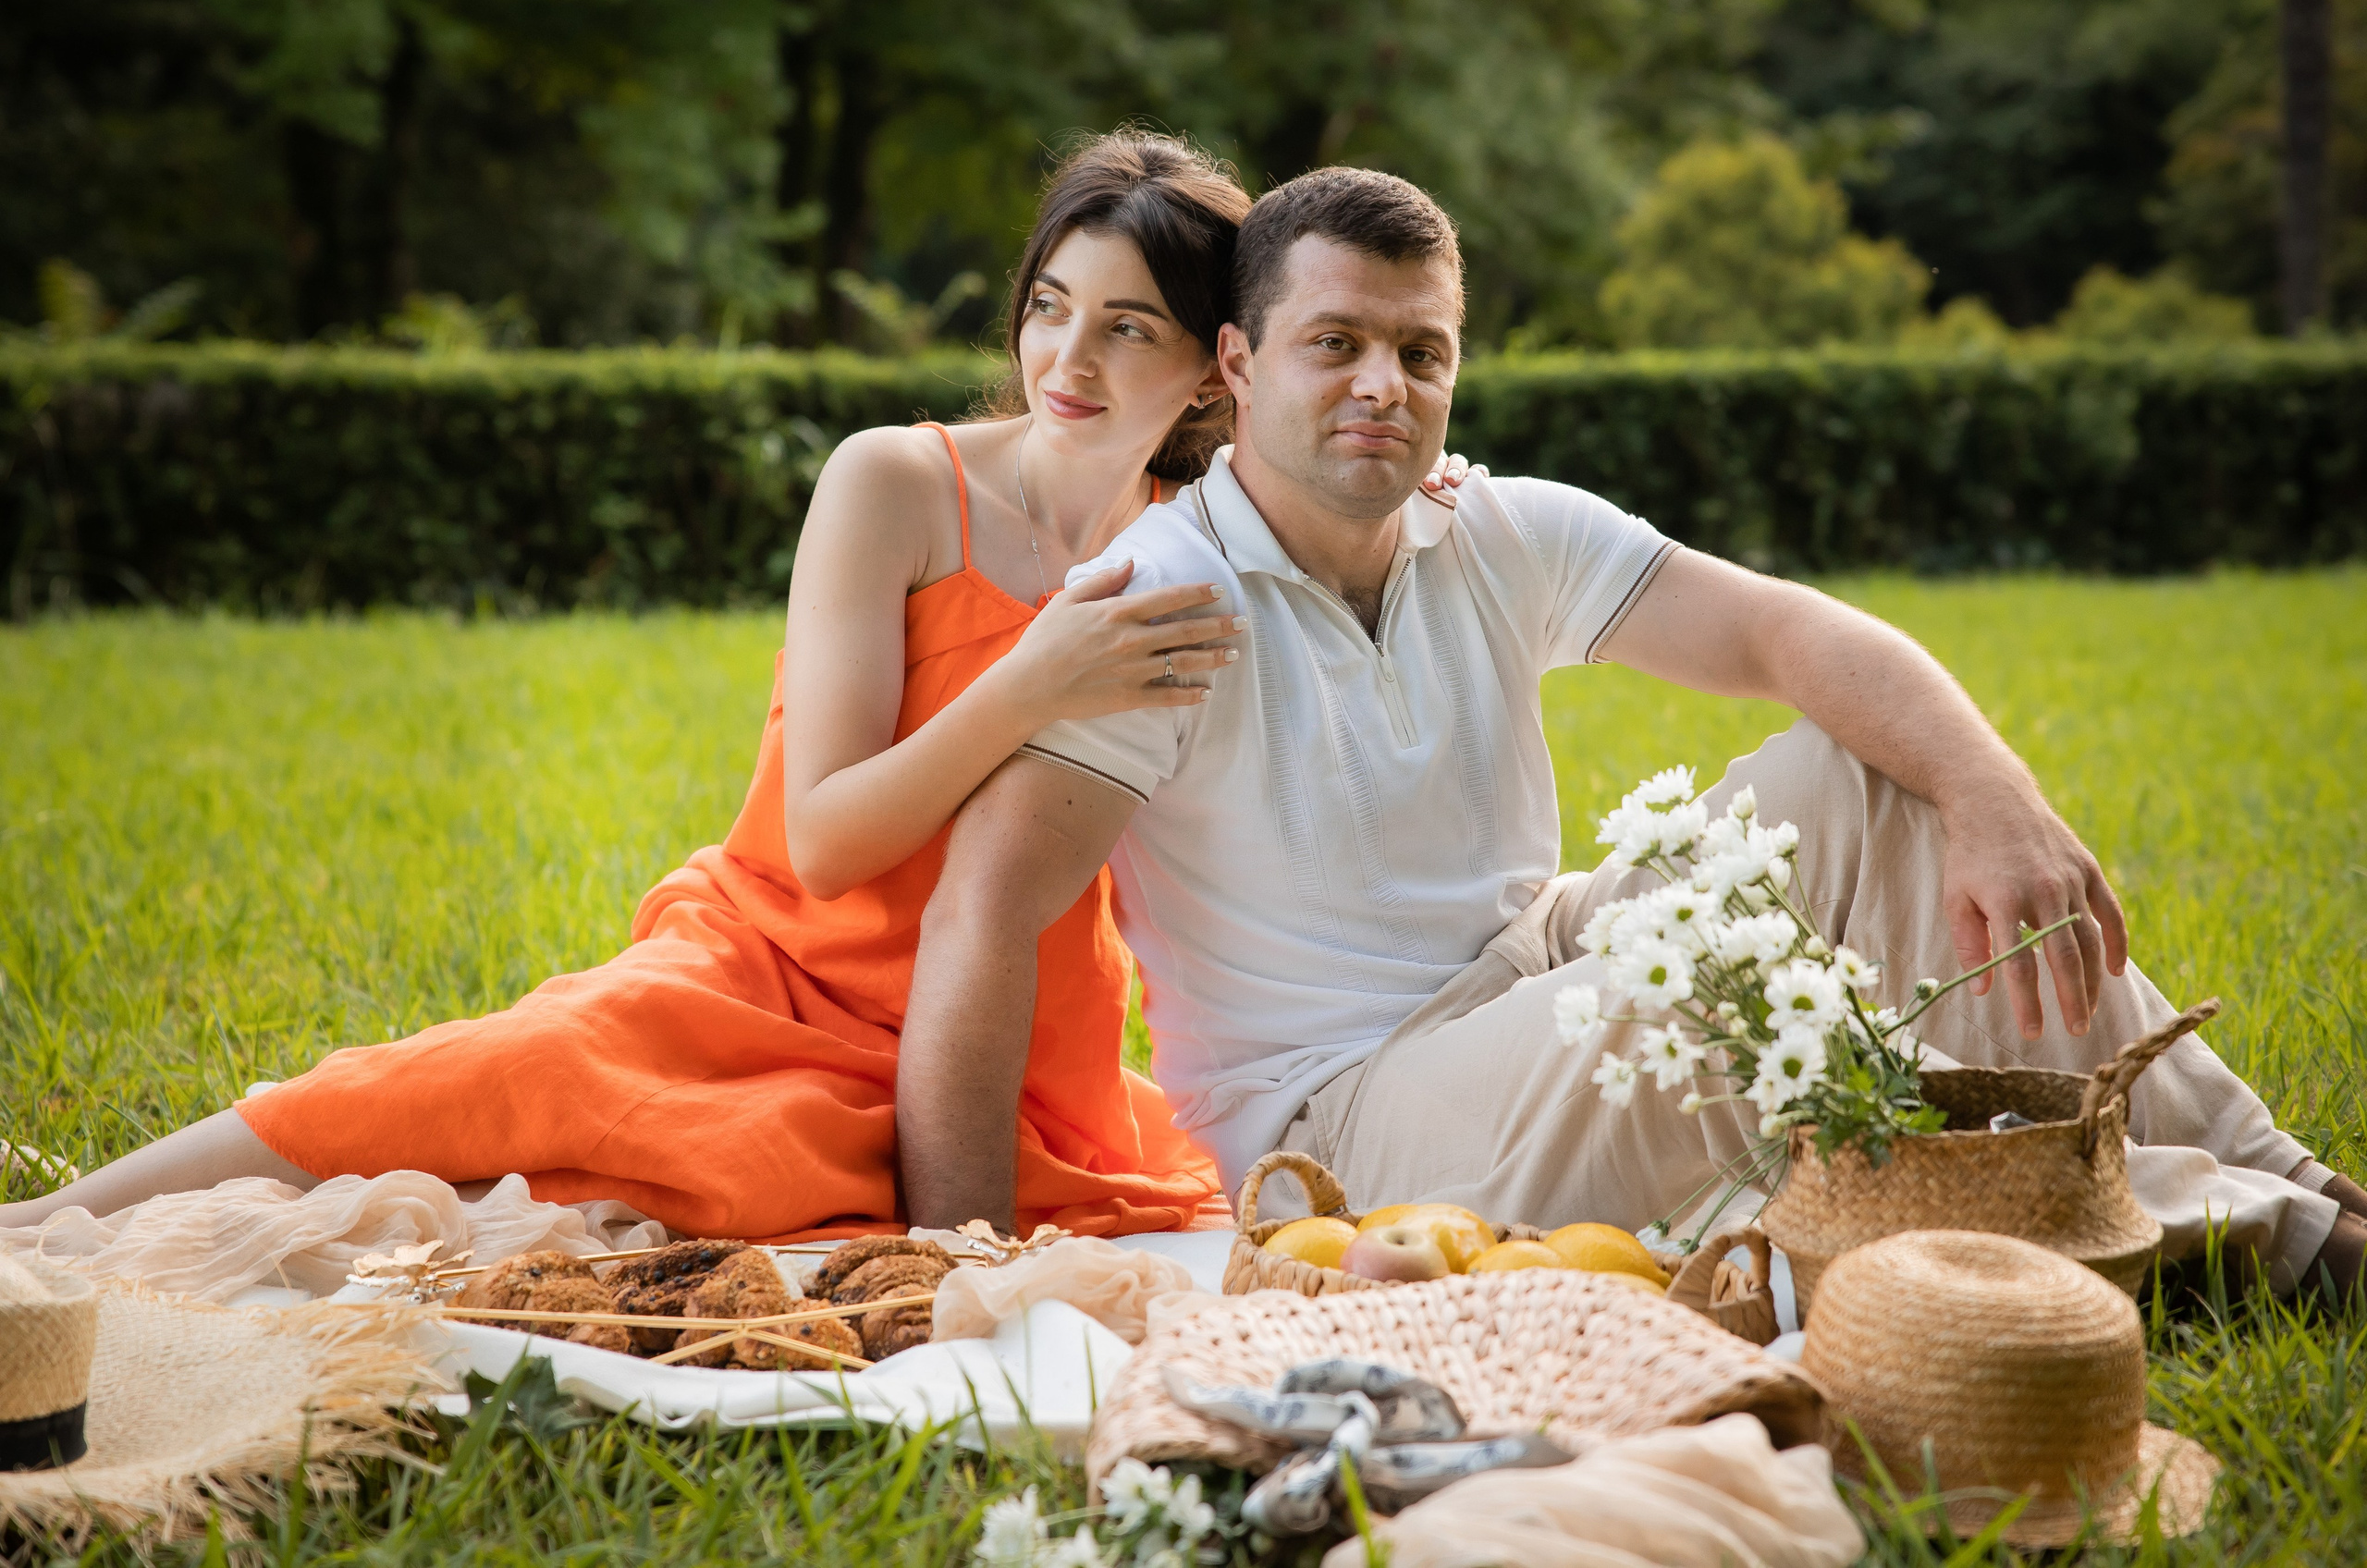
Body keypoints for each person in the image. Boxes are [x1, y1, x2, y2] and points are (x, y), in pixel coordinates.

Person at [900, 165, 2367, 1295]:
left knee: (1874, 776)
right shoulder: (1164, 603)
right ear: (1235, 365)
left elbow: (1790, 633)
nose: (1381, 388)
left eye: (1422, 352)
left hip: (1533, 959)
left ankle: (2279, 1174)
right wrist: (969, 1268)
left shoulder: (1494, 526)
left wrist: (1995, 795)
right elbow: (984, 915)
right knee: (1733, 991)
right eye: (1333, 343)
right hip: (1347, 1112)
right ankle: (2255, 1233)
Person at [3, 132, 1477, 1243]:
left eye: (1127, 326)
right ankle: (36, 1243)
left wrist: (1411, 482)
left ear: (1217, 368)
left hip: (1002, 1026)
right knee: (478, 1085)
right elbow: (828, 840)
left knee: (781, 1227)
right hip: (775, 958)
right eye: (1048, 304)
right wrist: (1036, 676)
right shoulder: (896, 483)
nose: (1065, 358)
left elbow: (1358, 476)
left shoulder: (1202, 541)